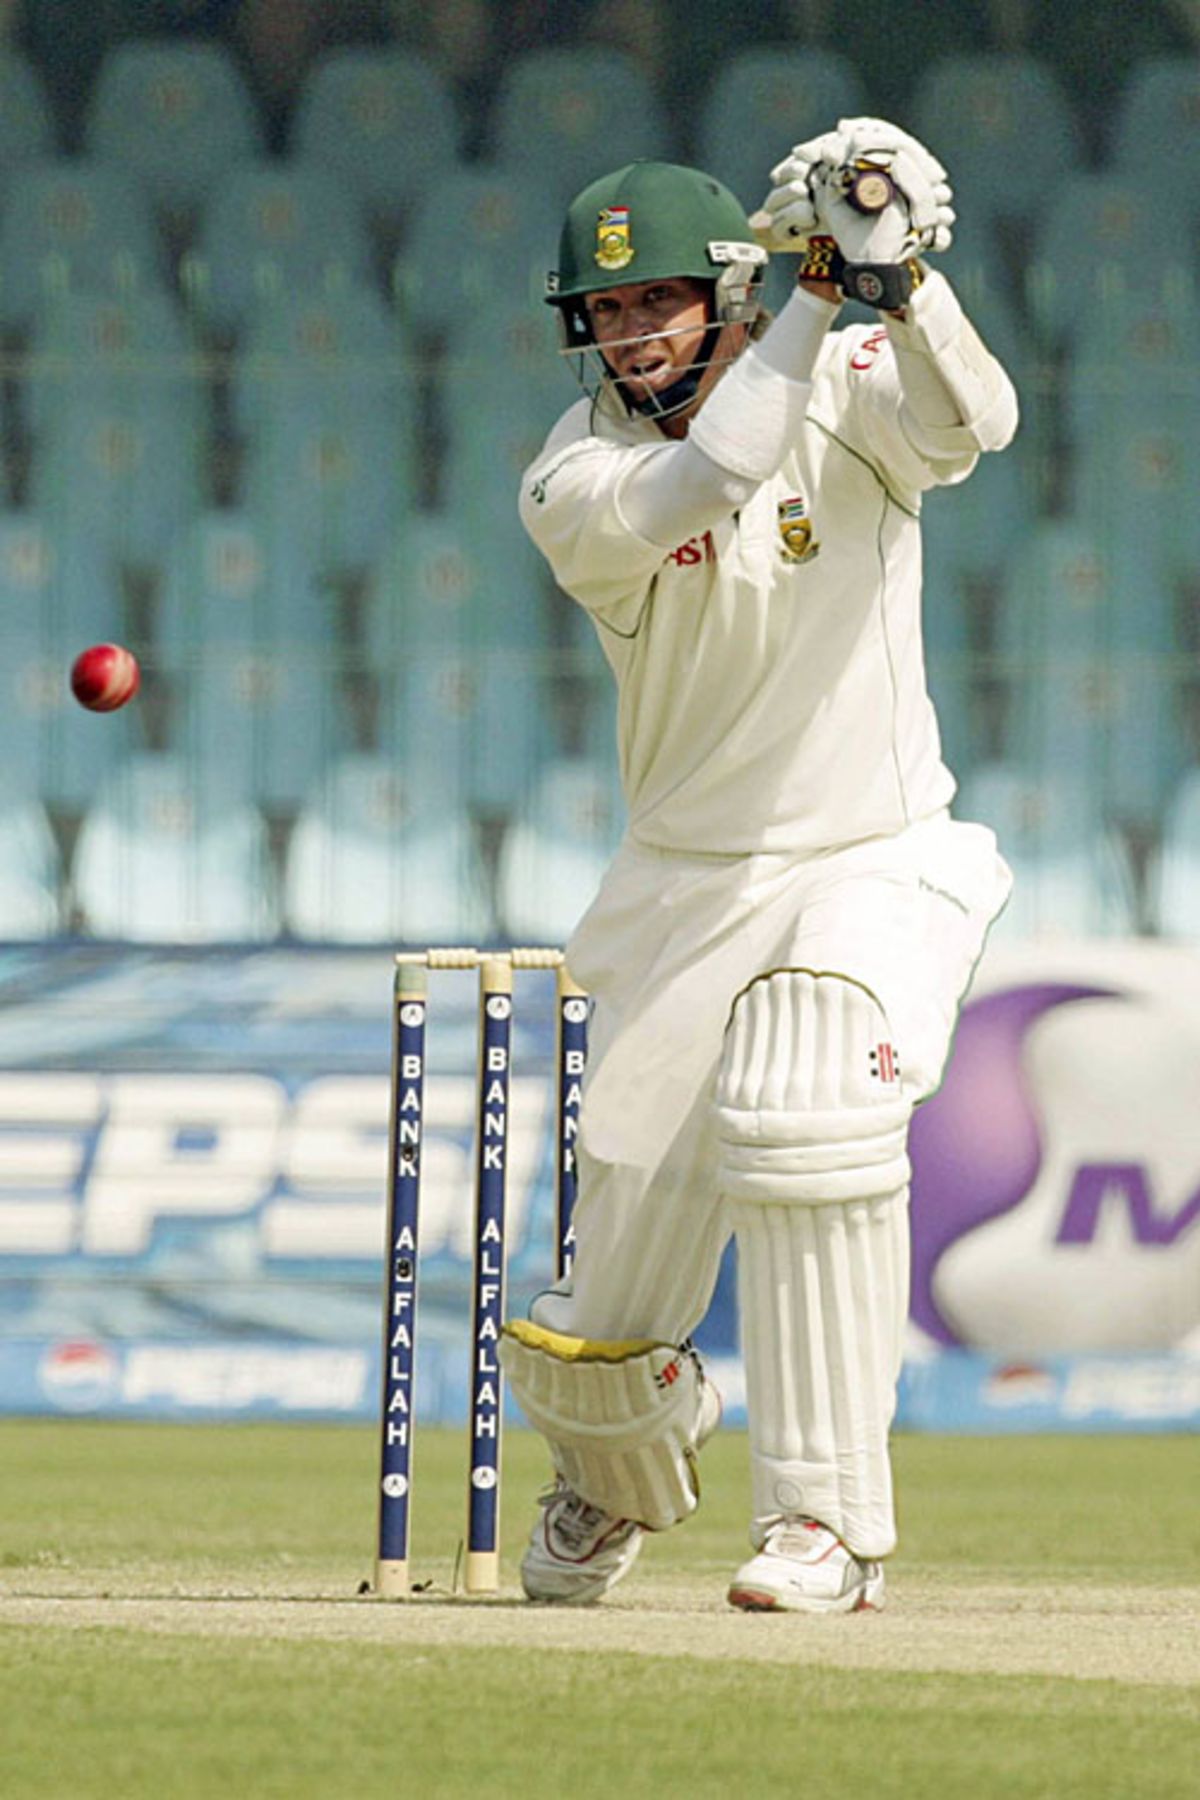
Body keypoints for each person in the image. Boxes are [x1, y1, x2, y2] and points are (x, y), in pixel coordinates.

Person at [498, 119, 1018, 1613]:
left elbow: (982, 421)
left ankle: (823, 1524)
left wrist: (903, 281)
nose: (631, 332)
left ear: (715, 290)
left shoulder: (851, 384)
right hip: (684, 880)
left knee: (803, 1110)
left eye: (658, 300)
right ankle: (611, 1476)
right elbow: (707, 479)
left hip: (873, 843)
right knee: (615, 1274)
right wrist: (809, 287)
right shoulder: (575, 476)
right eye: (603, 311)